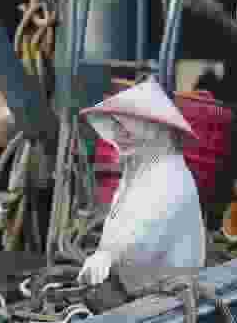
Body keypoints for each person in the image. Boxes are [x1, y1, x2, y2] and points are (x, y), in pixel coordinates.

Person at [77, 80, 209, 297]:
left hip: (172, 293)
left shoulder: (171, 176)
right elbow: (118, 219)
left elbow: (146, 239)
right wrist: (103, 253)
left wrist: (108, 256)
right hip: (141, 287)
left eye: (126, 127)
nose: (118, 134)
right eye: (116, 126)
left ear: (154, 130)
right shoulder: (139, 167)